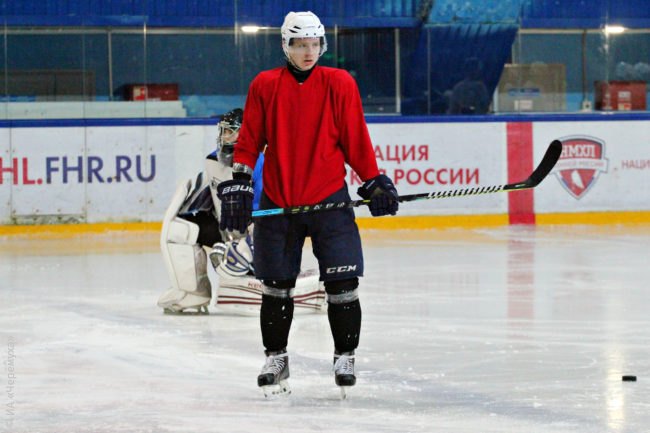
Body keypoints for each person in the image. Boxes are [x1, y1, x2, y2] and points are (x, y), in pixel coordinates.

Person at [217, 11, 399, 397]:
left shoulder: (339, 83)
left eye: (314, 44)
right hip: (279, 201)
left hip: (329, 202)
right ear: (286, 46)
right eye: (300, 44)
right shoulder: (265, 85)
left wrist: (372, 181)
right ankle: (276, 358)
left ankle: (345, 356)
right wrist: (240, 181)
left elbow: (355, 138)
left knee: (343, 283)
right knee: (276, 286)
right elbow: (250, 140)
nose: (308, 52)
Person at [157, 108, 326, 315]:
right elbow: (210, 196)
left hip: (261, 237)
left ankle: (270, 273)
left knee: (243, 257)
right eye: (223, 131)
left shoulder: (264, 165)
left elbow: (275, 219)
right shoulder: (213, 161)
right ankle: (193, 293)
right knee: (178, 231)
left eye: (230, 132)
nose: (224, 137)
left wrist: (246, 248)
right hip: (227, 231)